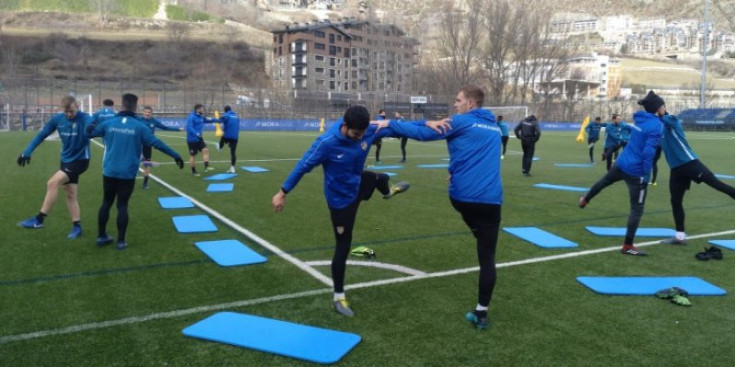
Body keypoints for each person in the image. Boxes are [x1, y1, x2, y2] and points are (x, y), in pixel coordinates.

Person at [376, 84, 502, 331]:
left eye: (458, 100)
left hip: (463, 197)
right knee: (487, 257)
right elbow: (472, 153)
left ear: (470, 104)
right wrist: (454, 170)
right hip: (492, 200)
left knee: (475, 224)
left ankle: (477, 233)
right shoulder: (494, 128)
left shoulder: (462, 121)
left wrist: (391, 124)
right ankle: (482, 313)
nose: (455, 104)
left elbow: (424, 135)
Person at [272, 106, 409, 318]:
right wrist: (282, 192)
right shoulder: (327, 143)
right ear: (345, 126)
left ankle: (388, 191)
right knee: (343, 247)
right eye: (356, 134)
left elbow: (400, 128)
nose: (360, 138)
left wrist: (428, 125)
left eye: (363, 133)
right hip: (341, 202)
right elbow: (303, 166)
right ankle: (338, 296)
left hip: (356, 184)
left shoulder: (367, 130)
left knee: (379, 178)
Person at [87, 93, 184, 250]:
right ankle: (121, 241)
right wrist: (176, 155)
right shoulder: (140, 127)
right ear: (136, 106)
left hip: (110, 170)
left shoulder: (109, 123)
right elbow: (157, 143)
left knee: (106, 202)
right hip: (128, 173)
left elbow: (90, 133)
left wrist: (90, 125)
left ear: (122, 105)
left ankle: (101, 236)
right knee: (122, 205)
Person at [578, 92, 663, 256]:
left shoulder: (640, 118)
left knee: (603, 181)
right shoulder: (656, 125)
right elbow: (648, 151)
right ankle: (627, 245)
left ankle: (585, 199)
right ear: (658, 108)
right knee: (637, 210)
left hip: (622, 162)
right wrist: (645, 173)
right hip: (636, 171)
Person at [656, 93, 735, 245]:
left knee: (717, 185)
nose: (658, 110)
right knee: (675, 201)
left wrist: (658, 111)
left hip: (690, 163)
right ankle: (679, 236)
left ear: (664, 108)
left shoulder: (672, 119)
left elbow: (665, 119)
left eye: (660, 107)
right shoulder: (658, 128)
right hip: (677, 169)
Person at [17, 96, 93, 239]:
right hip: (65, 160)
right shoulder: (58, 119)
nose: (69, 114)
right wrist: (27, 151)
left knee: (52, 182)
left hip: (81, 161)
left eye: (71, 111)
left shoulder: (85, 118)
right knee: (71, 194)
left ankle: (39, 220)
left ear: (77, 106)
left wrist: (92, 128)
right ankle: (77, 227)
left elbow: (91, 126)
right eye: (66, 112)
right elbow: (41, 135)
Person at [139, 106, 184, 189]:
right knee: (132, 164)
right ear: (143, 113)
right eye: (146, 112)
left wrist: (177, 129)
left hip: (148, 147)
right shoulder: (138, 120)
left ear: (151, 114)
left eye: (149, 112)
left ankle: (145, 182)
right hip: (137, 146)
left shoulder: (154, 121)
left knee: (147, 164)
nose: (147, 114)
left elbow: (165, 127)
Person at [186, 104, 217, 176]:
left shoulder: (200, 117)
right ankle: (194, 171)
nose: (203, 110)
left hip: (199, 138)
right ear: (198, 109)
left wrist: (219, 120)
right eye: (202, 109)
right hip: (192, 140)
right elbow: (189, 128)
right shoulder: (191, 117)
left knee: (205, 150)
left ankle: (206, 167)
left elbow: (209, 120)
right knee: (193, 155)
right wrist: (196, 133)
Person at [217, 105, 241, 173]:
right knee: (233, 153)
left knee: (222, 139)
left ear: (225, 110)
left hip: (227, 135)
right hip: (235, 137)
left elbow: (219, 121)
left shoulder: (226, 116)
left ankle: (220, 147)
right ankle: (232, 167)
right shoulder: (236, 117)